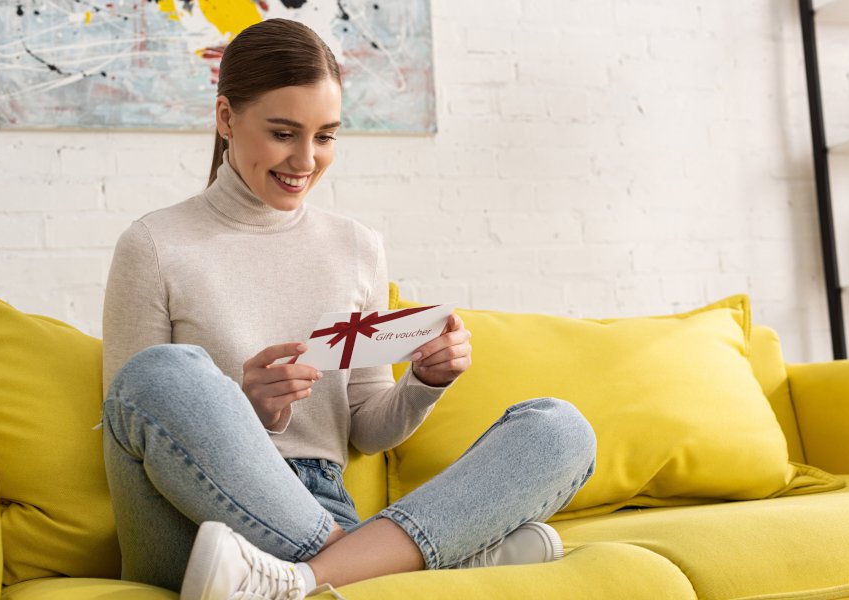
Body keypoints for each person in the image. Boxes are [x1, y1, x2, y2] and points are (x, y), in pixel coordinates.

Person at [101, 18, 597, 600]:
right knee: (162, 372)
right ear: (226, 119)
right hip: (195, 521)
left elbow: (366, 426)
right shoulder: (155, 244)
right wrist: (248, 410)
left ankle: (299, 580)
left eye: (326, 136)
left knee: (560, 430)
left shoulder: (356, 246)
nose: (306, 160)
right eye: (284, 133)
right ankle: (396, 560)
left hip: (322, 498)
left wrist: (423, 382)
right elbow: (132, 418)